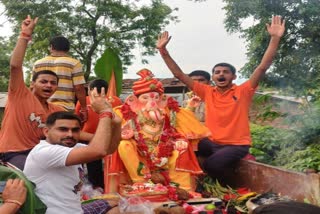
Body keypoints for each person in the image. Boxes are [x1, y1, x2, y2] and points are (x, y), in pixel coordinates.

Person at [156, 16, 285, 180]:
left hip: (236, 145)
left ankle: (228, 190)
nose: (221, 74)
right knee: (180, 145)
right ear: (213, 77)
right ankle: (187, 181)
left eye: (225, 72)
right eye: (217, 72)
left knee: (212, 165)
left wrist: (274, 38)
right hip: (211, 143)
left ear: (233, 76)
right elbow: (179, 74)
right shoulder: (207, 92)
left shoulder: (244, 90)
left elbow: (262, 67)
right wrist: (163, 51)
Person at [23, 87, 122, 214]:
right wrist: (104, 113)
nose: (70, 134)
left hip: (76, 209)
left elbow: (108, 149)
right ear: (46, 132)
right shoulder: (45, 151)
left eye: (75, 130)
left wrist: (117, 124)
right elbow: (98, 151)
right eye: (63, 129)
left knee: (116, 203)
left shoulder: (71, 147)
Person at [110, 68, 211, 191]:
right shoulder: (126, 113)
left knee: (182, 146)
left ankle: (182, 187)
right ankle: (141, 182)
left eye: (155, 97)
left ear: (162, 99)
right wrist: (124, 133)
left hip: (166, 152)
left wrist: (190, 107)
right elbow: (113, 134)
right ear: (135, 101)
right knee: (123, 145)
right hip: (140, 153)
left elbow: (181, 121)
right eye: (145, 98)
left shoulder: (167, 112)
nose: (152, 103)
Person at [0, 16, 63, 170]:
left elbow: (72, 132)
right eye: (44, 81)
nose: (49, 85)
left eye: (53, 83)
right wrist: (24, 35)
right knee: (32, 173)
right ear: (32, 84)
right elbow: (15, 66)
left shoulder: (56, 110)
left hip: (39, 153)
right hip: (12, 153)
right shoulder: (19, 95)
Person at [75, 79, 122, 189]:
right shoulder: (116, 100)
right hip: (109, 136)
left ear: (92, 90)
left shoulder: (84, 101)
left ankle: (97, 187)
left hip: (90, 136)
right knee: (108, 164)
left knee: (94, 165)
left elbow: (78, 120)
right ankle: (108, 186)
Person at [33, 35, 88, 122]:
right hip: (65, 109)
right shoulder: (74, 63)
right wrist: (84, 109)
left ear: (51, 47)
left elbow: (33, 87)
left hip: (42, 108)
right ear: (68, 49)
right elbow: (79, 88)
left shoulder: (38, 63)